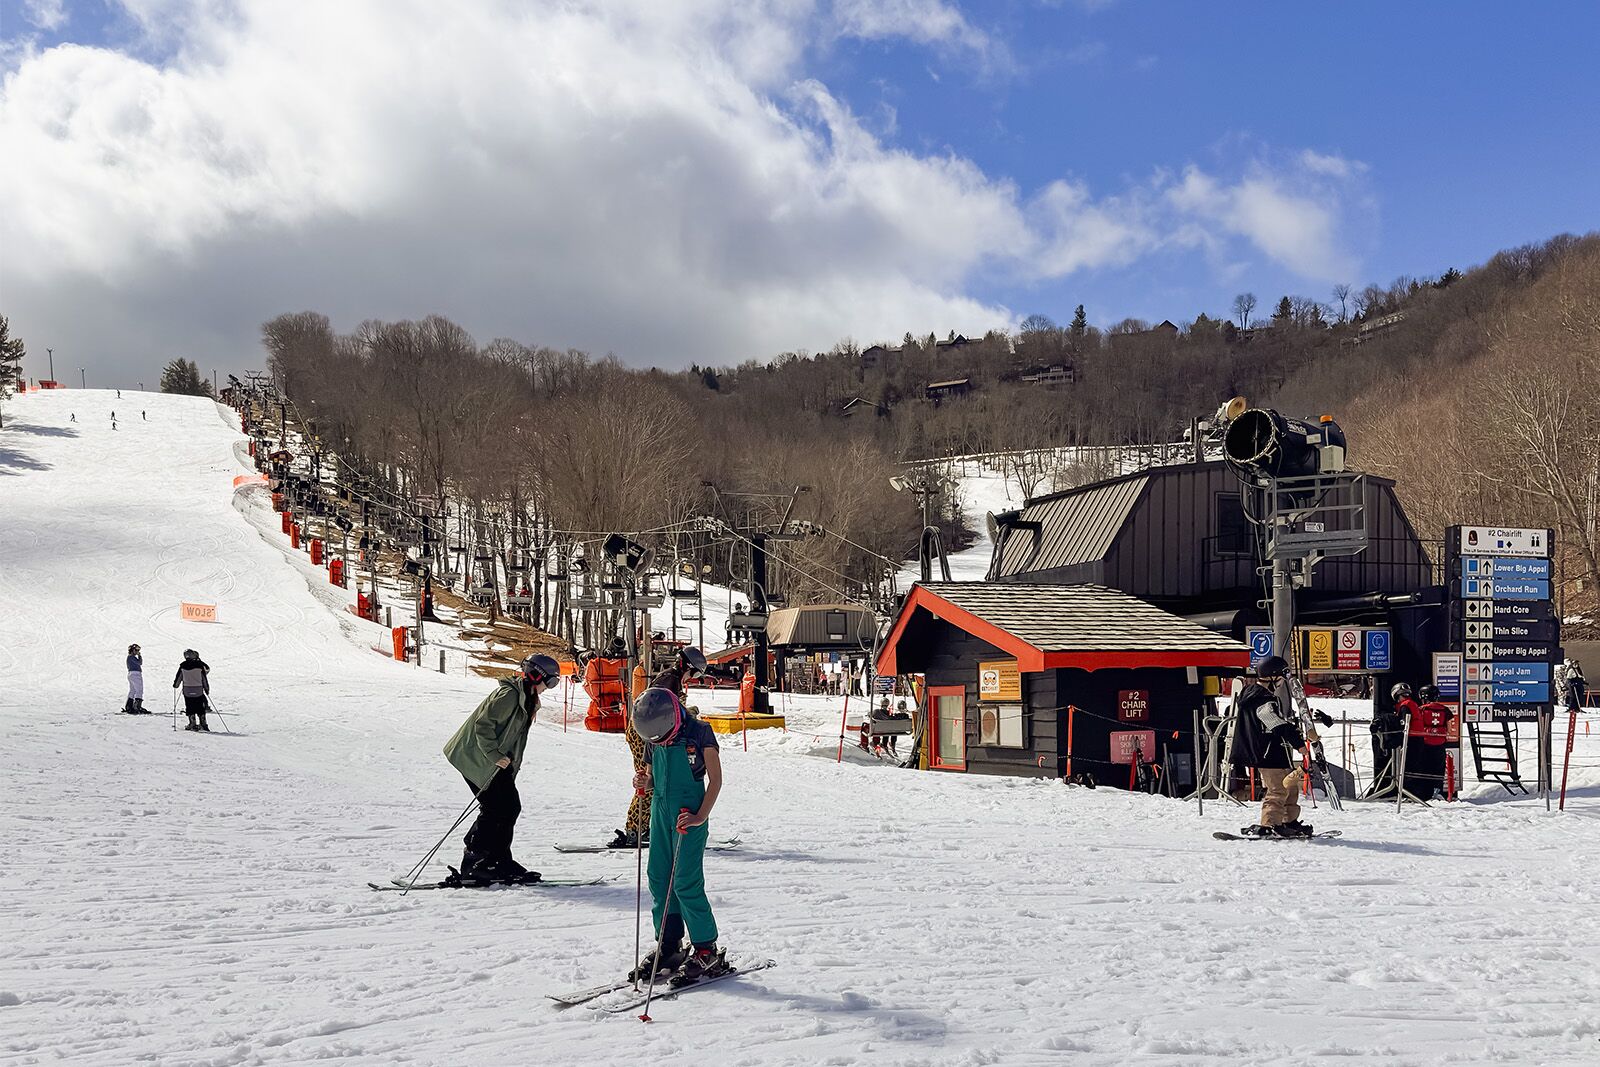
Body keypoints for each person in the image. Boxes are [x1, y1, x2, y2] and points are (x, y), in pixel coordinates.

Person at [630, 685, 726, 986]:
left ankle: (705, 948)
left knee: (685, 881)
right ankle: (668, 945)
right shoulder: (653, 733)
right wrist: (643, 780)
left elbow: (716, 779)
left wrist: (701, 816)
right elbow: (650, 774)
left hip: (689, 812)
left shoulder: (699, 732)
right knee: (658, 877)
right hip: (660, 809)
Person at [441, 654, 559, 884]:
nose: (550, 687)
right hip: (476, 758)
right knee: (499, 807)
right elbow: (482, 726)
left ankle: (497, 861)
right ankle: (476, 862)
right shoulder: (509, 695)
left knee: (507, 807)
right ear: (536, 675)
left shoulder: (526, 697)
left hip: (492, 760)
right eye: (551, 682)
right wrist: (496, 756)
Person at [610, 646, 708, 849]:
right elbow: (660, 710)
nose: (693, 678)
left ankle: (642, 827)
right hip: (645, 734)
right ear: (687, 666)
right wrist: (687, 713)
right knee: (650, 780)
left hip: (650, 733)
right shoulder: (669, 680)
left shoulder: (671, 679)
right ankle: (636, 830)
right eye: (695, 673)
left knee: (654, 780)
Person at [1228, 656, 1316, 838]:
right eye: (1282, 677)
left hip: (1276, 752)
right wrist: (1298, 743)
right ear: (1273, 677)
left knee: (1290, 788)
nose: (1283, 682)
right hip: (1267, 753)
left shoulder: (1261, 697)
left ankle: (1288, 821)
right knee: (1278, 789)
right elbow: (1273, 722)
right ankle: (1269, 824)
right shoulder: (1261, 698)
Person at [1406, 685, 1452, 799]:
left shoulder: (1421, 709)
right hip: (1440, 744)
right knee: (1439, 770)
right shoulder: (1445, 709)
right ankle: (1437, 792)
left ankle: (1423, 793)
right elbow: (1449, 728)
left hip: (1425, 744)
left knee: (1424, 768)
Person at [172, 649, 211, 731]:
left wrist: (176, 685)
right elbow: (204, 679)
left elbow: (178, 678)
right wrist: (207, 689)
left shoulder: (183, 666)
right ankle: (203, 723)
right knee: (200, 706)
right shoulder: (199, 665)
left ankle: (192, 723)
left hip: (187, 690)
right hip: (198, 690)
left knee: (189, 706)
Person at [122, 643, 147, 714]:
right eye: (136, 650)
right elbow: (140, 663)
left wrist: (138, 655)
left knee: (132, 690)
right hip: (135, 674)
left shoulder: (130, 657)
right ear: (132, 650)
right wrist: (139, 656)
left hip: (131, 674)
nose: (137, 651)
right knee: (139, 690)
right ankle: (137, 706)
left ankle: (129, 706)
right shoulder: (131, 657)